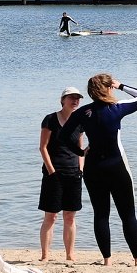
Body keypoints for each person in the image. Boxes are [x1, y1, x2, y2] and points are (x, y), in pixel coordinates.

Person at [59, 73, 137, 267]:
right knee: (128, 215)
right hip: (117, 167)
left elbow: (64, 137)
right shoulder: (116, 109)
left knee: (101, 214)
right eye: (111, 86)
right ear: (108, 88)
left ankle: (107, 260)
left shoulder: (82, 113)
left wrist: (81, 152)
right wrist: (122, 85)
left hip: (93, 168)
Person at [38, 87, 85, 262]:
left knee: (70, 216)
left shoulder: (79, 122)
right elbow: (43, 147)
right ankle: (45, 255)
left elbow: (81, 149)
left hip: (74, 173)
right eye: (72, 98)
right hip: (53, 174)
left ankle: (70, 254)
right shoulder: (50, 119)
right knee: (51, 215)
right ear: (63, 100)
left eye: (78, 98)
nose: (75, 101)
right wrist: (51, 171)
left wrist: (81, 168)